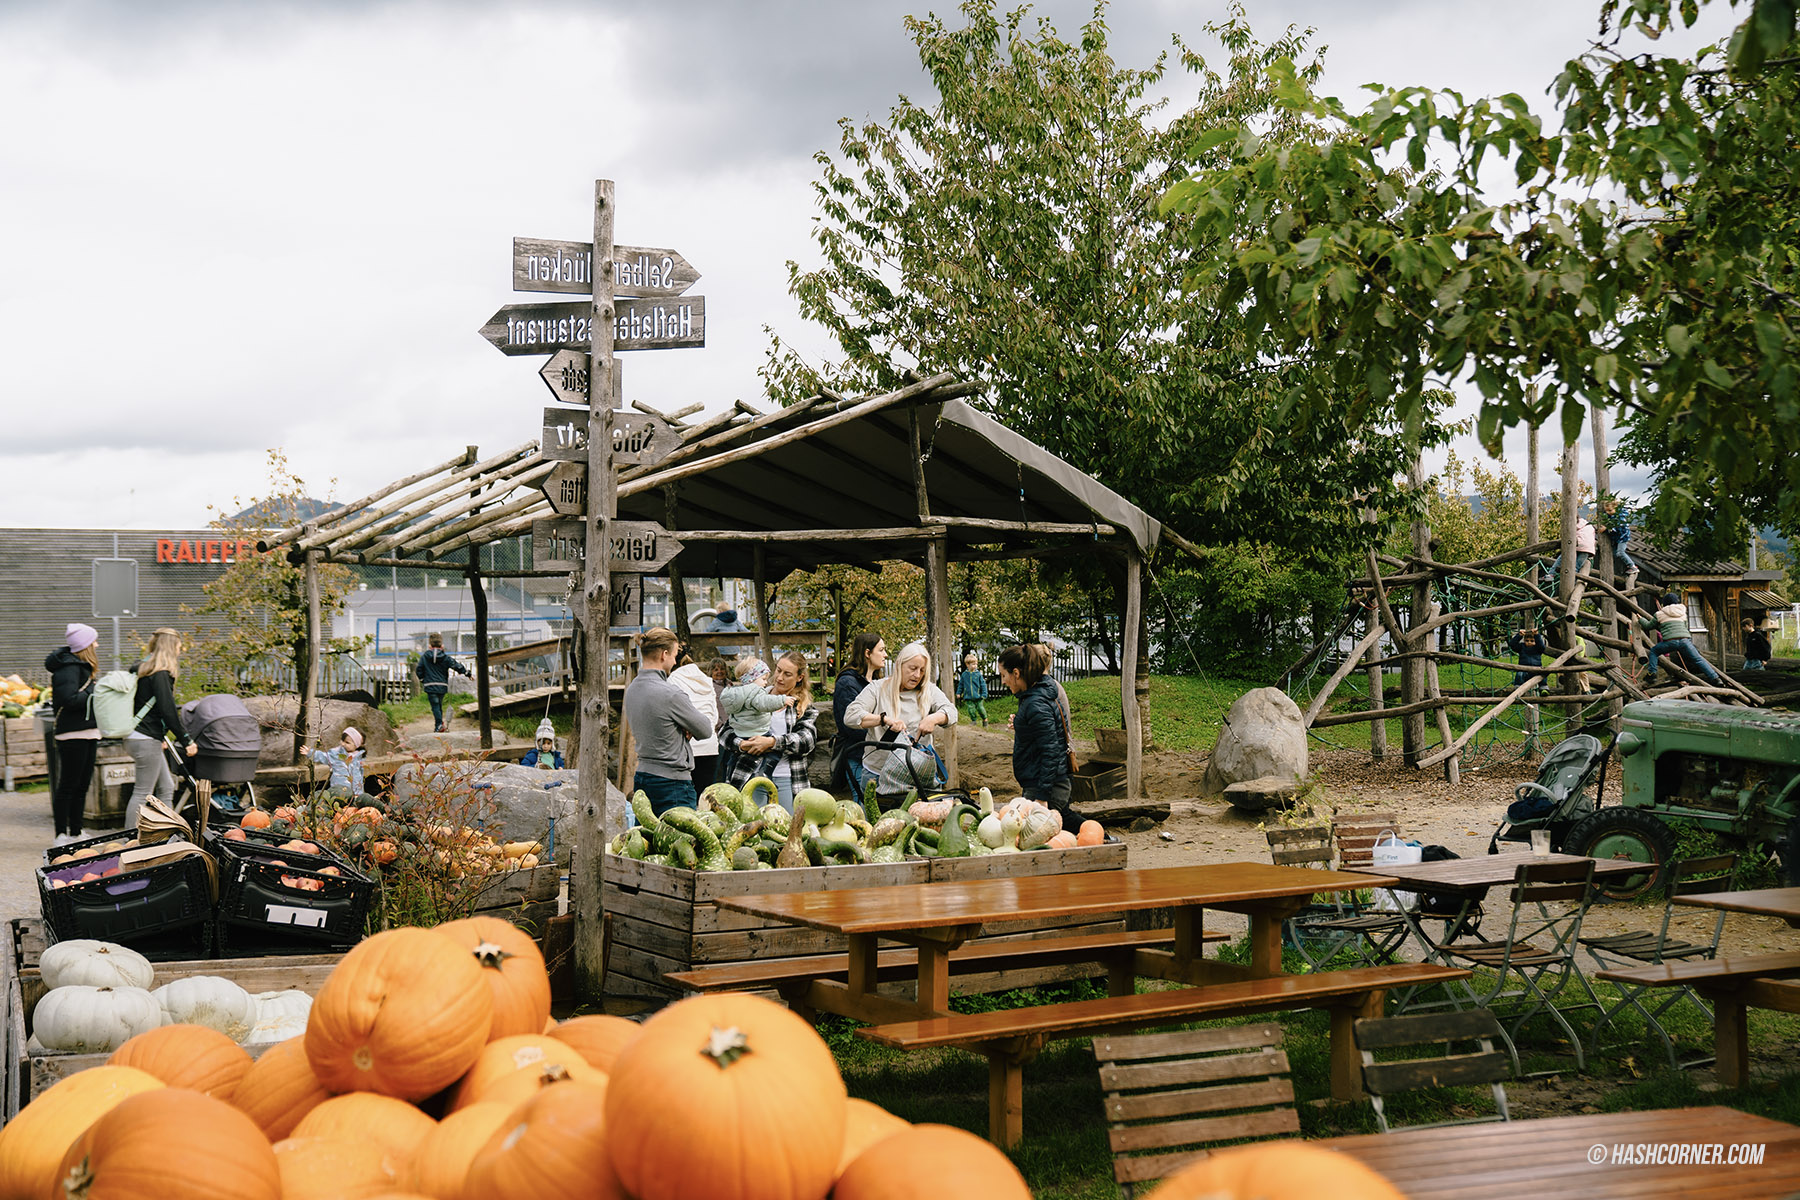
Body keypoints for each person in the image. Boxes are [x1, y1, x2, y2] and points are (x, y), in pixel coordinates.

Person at [623, 627, 712, 817]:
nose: (674, 660)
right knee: (679, 843)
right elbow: (705, 729)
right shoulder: (671, 694)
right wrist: (685, 726)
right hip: (673, 783)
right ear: (664, 654)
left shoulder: (631, 690)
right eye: (674, 654)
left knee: (648, 841)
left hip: (643, 777)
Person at [844, 641, 956, 788]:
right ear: (899, 665)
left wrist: (934, 718)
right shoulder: (877, 688)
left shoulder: (929, 690)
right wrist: (882, 719)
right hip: (878, 774)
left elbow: (952, 712)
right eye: (913, 668)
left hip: (918, 774)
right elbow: (850, 716)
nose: (917, 675)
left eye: (922, 670)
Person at [720, 650, 819, 810]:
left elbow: (807, 741)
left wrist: (771, 743)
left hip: (788, 778)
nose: (779, 677)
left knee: (787, 828)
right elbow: (725, 734)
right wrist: (742, 744)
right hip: (749, 774)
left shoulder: (802, 706)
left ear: (799, 677)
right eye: (778, 670)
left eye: (787, 674)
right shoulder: (751, 695)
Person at [124, 628, 199, 828]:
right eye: (178, 645)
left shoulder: (142, 669)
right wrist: (186, 740)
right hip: (145, 738)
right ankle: (129, 841)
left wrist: (161, 737)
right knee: (142, 792)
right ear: (170, 647)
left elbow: (149, 708)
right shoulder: (160, 674)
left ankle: (166, 835)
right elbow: (167, 710)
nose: (181, 649)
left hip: (138, 735)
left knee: (166, 787)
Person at [999, 643, 1074, 820]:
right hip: (1039, 780)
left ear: (1016, 673)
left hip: (1047, 785)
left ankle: (1106, 839)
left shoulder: (1035, 703)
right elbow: (1041, 734)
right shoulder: (1032, 696)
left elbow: (1051, 750)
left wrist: (1042, 796)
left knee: (1056, 827)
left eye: (1004, 675)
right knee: (1063, 823)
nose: (1002, 681)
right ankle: (1105, 838)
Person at [45, 623, 100, 845]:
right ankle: (60, 834)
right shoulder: (69, 668)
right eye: (94, 641)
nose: (97, 644)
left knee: (82, 785)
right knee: (68, 785)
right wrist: (94, 692)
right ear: (85, 645)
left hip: (88, 731)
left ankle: (76, 831)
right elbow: (67, 700)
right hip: (72, 733)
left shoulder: (82, 666)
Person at [830, 632, 886, 793]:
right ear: (867, 653)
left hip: (878, 755)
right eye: (881, 650)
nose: (885, 654)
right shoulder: (847, 683)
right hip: (857, 755)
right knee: (864, 802)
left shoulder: (877, 683)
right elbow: (849, 726)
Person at [1639, 592, 1725, 685]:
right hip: (1685, 640)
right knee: (1698, 659)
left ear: (1664, 603)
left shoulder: (1659, 614)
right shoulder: (1682, 613)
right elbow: (1685, 626)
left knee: (1654, 652)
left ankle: (1652, 674)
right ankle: (1715, 678)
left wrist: (1640, 619)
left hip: (1670, 642)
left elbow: (1648, 626)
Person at [669, 650, 721, 793]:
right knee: (704, 796)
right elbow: (714, 715)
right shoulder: (706, 680)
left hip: (688, 746)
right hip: (710, 745)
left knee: (685, 797)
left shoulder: (673, 680)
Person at [720, 658, 795, 739]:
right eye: (763, 679)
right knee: (772, 749)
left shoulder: (737, 693)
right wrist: (783, 700)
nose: (766, 682)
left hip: (740, 733)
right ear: (751, 679)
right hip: (758, 732)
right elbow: (766, 703)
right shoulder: (755, 692)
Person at [416, 633, 472, 733]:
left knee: (435, 706)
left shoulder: (424, 657)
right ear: (442, 646)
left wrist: (422, 679)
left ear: (430, 646)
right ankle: (439, 725)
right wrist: (466, 673)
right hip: (442, 685)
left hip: (430, 685)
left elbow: (419, 669)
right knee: (439, 704)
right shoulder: (445, 657)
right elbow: (456, 665)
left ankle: (438, 725)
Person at [307, 726, 366, 796]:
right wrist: (310, 753)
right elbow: (323, 756)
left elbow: (360, 775)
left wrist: (360, 791)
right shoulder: (336, 754)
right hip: (340, 791)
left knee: (355, 806)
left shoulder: (358, 757)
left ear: (356, 745)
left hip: (356, 792)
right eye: (342, 740)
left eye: (347, 742)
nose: (343, 744)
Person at [956, 653, 990, 727]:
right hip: (968, 697)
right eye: (973, 664)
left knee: (980, 709)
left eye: (976, 664)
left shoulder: (978, 675)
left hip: (978, 697)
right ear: (967, 665)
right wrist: (958, 693)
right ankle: (973, 721)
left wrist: (984, 694)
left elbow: (983, 685)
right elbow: (961, 685)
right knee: (971, 710)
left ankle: (985, 720)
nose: (975, 666)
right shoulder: (964, 675)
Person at [1507, 627, 1545, 691]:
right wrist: (1519, 635)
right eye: (1527, 641)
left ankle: (1543, 688)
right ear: (1524, 641)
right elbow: (1512, 644)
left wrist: (1536, 635)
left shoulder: (1538, 648)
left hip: (1536, 669)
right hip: (1524, 669)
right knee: (1519, 674)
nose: (1529, 642)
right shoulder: (1521, 647)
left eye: (1532, 641)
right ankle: (1518, 687)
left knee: (1543, 674)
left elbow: (1542, 646)